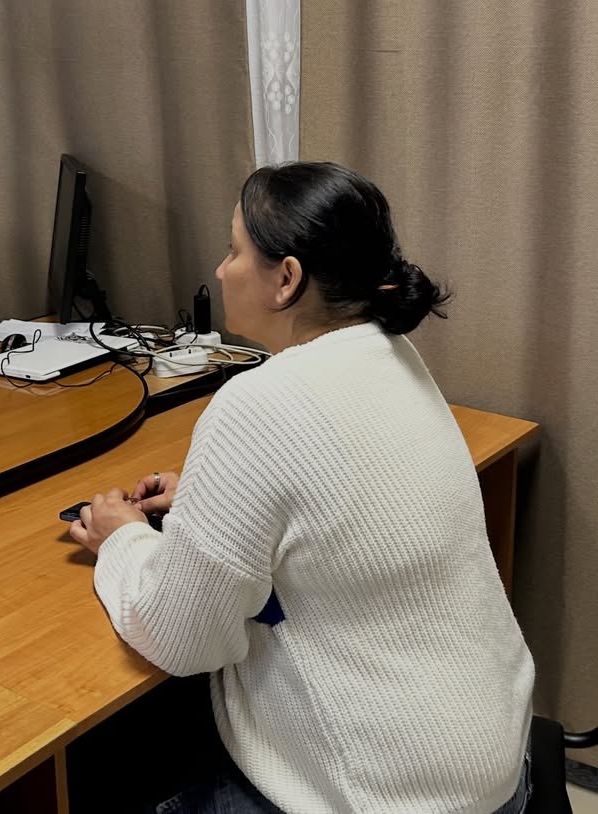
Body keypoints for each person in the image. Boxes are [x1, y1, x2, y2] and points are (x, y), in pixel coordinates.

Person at [69, 162, 534, 813]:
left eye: (235, 250)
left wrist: (121, 541)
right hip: (490, 763)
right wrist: (212, 499)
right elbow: (336, 504)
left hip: (389, 794)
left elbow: (182, 639)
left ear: (286, 279)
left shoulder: (258, 403)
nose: (222, 268)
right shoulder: (388, 352)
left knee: (115, 769)